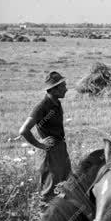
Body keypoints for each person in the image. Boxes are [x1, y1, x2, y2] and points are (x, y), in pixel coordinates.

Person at [19, 71, 71, 205]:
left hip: (60, 149)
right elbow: (24, 130)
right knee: (49, 193)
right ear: (53, 90)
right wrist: (40, 145)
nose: (66, 89)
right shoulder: (41, 107)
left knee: (65, 187)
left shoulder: (56, 103)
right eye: (63, 86)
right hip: (50, 153)